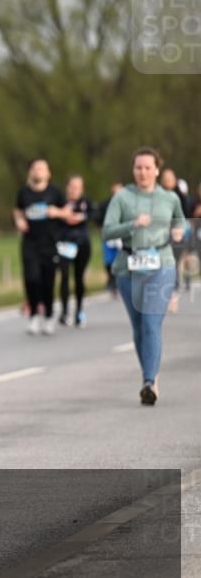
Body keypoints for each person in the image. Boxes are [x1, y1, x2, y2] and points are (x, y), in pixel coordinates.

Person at [102, 147, 186, 406]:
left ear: (157, 170)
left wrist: (179, 232)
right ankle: (150, 375)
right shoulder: (122, 197)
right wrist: (133, 224)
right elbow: (106, 232)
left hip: (161, 264)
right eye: (138, 167)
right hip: (128, 266)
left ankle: (149, 380)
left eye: (148, 167)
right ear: (133, 170)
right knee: (139, 326)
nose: (143, 172)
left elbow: (181, 221)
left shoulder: (169, 198)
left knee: (150, 322)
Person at [13, 159, 69, 335]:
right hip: (30, 243)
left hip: (50, 243)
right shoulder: (24, 192)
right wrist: (19, 220)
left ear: (48, 173)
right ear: (31, 172)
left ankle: (49, 314)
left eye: (42, 169)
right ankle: (34, 315)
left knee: (48, 281)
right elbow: (17, 210)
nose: (38, 172)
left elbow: (68, 212)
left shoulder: (55, 193)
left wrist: (56, 212)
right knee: (31, 279)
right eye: (35, 169)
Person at [57, 174, 94, 328]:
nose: (74, 190)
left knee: (79, 278)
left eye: (77, 187)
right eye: (72, 187)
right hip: (64, 244)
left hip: (82, 243)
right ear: (67, 187)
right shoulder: (60, 202)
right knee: (64, 277)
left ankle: (79, 311)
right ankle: (65, 311)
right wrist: (64, 217)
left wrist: (82, 217)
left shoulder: (86, 202)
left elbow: (96, 214)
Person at [160, 168, 191, 312]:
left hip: (177, 234)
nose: (167, 182)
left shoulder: (181, 196)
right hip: (161, 234)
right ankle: (166, 293)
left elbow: (185, 215)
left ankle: (173, 295)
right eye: (165, 180)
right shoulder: (158, 194)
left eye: (169, 179)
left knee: (173, 264)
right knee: (163, 265)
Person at [97, 182, 124, 298]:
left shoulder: (128, 204)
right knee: (109, 260)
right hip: (109, 237)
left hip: (122, 236)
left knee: (121, 260)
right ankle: (111, 281)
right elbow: (97, 218)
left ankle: (120, 283)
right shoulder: (105, 204)